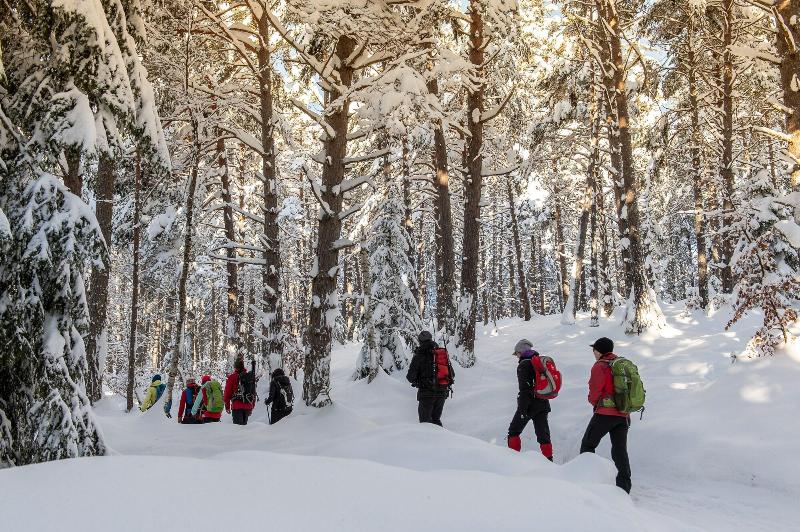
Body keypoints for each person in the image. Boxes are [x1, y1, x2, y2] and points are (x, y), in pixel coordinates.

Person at [580, 337, 632, 493]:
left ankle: (585, 482)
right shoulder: (621, 365)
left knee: (588, 445)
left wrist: (593, 401)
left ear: (599, 351)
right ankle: (623, 489)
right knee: (620, 451)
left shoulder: (600, 366)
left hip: (604, 413)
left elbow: (595, 391)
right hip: (623, 415)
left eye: (594, 350)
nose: (593, 353)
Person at [506, 339, 553, 461]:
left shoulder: (524, 365)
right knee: (543, 435)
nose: (516, 356)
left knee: (513, 431)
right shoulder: (538, 362)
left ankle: (512, 460)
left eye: (516, 353)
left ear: (521, 352)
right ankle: (549, 462)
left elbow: (525, 390)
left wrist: (522, 410)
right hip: (543, 402)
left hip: (529, 405)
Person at [406, 330, 453, 427]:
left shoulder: (419, 356)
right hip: (442, 393)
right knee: (436, 420)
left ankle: (428, 441)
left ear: (420, 341)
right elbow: (452, 374)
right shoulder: (441, 354)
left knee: (425, 424)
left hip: (426, 394)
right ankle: (441, 440)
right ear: (431, 339)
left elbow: (410, 377)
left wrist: (420, 383)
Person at [224, 358, 256, 425]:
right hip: (248, 405)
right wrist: (252, 406)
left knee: (237, 430)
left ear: (235, 367)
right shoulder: (249, 376)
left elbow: (227, 393)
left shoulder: (232, 377)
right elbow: (253, 392)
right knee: (244, 429)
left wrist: (227, 407)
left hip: (237, 406)